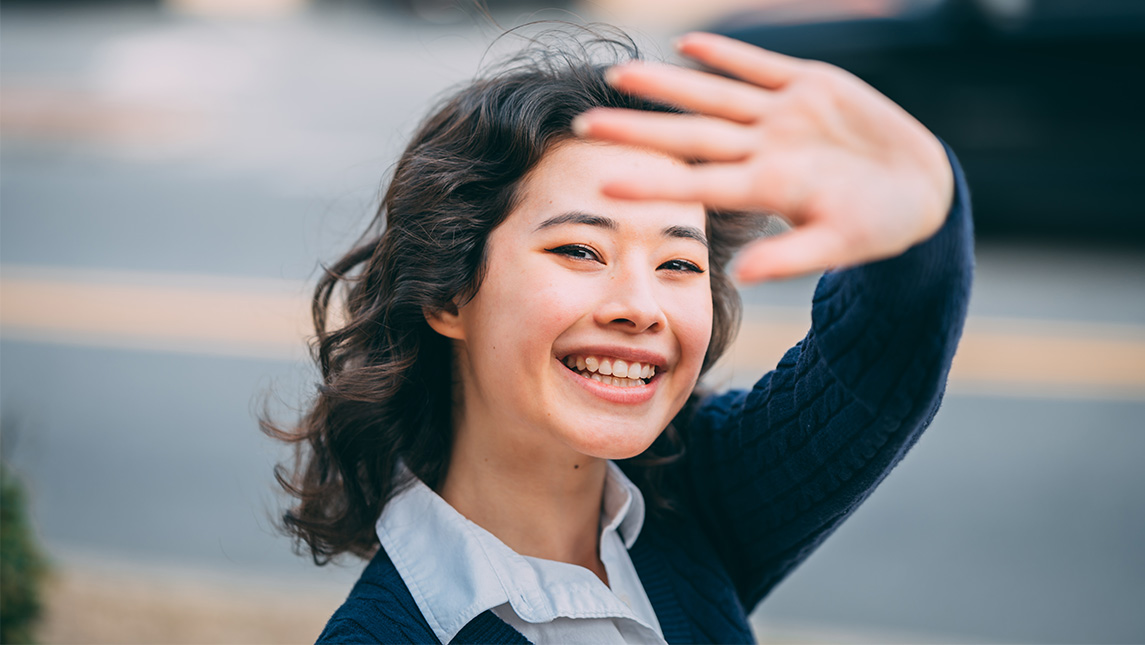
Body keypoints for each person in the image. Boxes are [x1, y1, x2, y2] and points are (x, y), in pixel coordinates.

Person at [265, 27, 973, 644]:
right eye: (579, 250)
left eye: (677, 263)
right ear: (449, 291)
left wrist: (922, 205)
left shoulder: (692, 490)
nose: (640, 306)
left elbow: (874, 369)